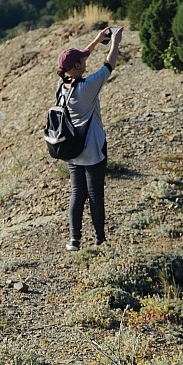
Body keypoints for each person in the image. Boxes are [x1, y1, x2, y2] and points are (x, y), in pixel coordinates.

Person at [56, 26, 123, 251]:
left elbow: (78, 60)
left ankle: (74, 240)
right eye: (82, 61)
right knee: (95, 195)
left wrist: (95, 40)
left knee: (77, 194)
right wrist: (115, 41)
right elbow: (109, 64)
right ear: (76, 66)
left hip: (72, 150)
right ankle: (100, 239)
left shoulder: (61, 86)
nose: (85, 62)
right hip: (93, 150)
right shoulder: (87, 88)